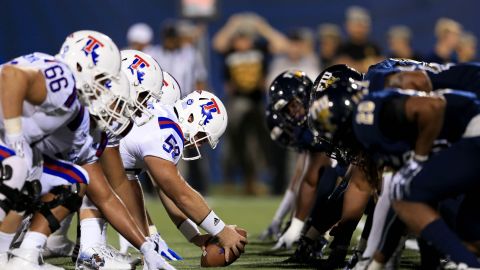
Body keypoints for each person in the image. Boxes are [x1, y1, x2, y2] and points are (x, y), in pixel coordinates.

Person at [309, 74, 480, 269]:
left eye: (333, 131)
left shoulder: (370, 113)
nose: (338, 143)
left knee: (408, 196)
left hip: (473, 135)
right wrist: (377, 262)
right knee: (470, 237)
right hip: (467, 142)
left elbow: (433, 106)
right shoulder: (379, 121)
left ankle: (467, 264)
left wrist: (419, 158)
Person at [213, 13, 289, 194]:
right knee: (231, 142)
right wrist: (232, 24)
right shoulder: (230, 51)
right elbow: (217, 43)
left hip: (255, 101)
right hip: (236, 101)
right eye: (240, 37)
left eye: (247, 37)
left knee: (256, 144)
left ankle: (252, 181)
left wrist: (263, 28)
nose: (244, 41)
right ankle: (229, 180)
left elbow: (282, 45)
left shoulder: (259, 49)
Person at [335, 6, 382, 73]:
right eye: (356, 25)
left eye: (362, 25)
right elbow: (341, 68)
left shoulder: (374, 47)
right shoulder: (342, 48)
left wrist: (354, 65)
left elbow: (381, 67)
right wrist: (366, 64)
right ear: (348, 27)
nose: (359, 29)